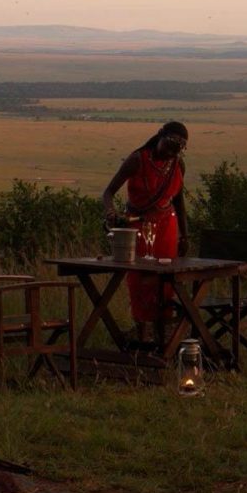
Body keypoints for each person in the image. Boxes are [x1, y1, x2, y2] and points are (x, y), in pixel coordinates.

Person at [102, 121, 189, 344]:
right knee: (140, 280)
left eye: (176, 150)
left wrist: (185, 235)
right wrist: (110, 212)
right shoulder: (137, 160)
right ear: (159, 136)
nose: (170, 153)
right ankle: (141, 337)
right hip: (138, 225)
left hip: (167, 227)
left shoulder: (178, 165)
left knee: (166, 280)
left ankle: (161, 339)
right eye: (168, 146)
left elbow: (179, 202)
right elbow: (109, 192)